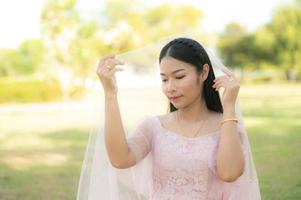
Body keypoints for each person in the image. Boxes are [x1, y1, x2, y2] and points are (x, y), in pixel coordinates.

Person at [77, 37, 261, 199]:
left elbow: (229, 173)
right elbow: (120, 159)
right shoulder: (154, 126)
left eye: (179, 77)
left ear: (204, 72)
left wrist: (229, 108)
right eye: (164, 79)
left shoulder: (226, 127)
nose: (170, 87)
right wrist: (110, 94)